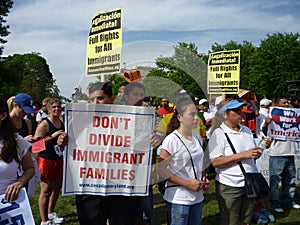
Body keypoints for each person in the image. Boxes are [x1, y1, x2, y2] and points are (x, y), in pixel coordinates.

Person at [208, 99, 266, 225]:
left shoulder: (246, 130)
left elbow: (249, 155)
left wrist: (255, 153)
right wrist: (243, 155)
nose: (240, 112)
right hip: (230, 185)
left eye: (240, 109)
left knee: (246, 219)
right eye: (235, 110)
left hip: (249, 182)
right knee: (230, 221)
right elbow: (215, 162)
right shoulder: (219, 133)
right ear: (225, 115)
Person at [158, 95, 210, 225]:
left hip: (197, 197)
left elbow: (200, 162)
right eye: (191, 114)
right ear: (180, 117)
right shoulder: (171, 140)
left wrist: (204, 178)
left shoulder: (197, 137)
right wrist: (186, 183)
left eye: (196, 114)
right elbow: (161, 170)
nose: (196, 118)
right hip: (179, 199)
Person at [262, 96, 300, 213]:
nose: (286, 105)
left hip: (290, 152)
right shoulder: (271, 117)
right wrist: (266, 124)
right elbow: (264, 132)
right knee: (275, 181)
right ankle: (275, 203)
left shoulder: (293, 115)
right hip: (277, 153)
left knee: (290, 179)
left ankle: (288, 199)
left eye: (287, 103)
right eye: (283, 103)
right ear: (277, 104)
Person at [123, 82, 154, 225]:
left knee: (144, 211)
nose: (139, 98)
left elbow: (153, 141)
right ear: (127, 96)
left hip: (142, 168)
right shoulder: (117, 115)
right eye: (135, 94)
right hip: (122, 170)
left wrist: (153, 164)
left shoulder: (149, 116)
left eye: (141, 95)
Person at [35, 98, 65, 225]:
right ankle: (44, 221)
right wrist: (52, 137)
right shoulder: (44, 124)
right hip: (46, 160)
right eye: (54, 107)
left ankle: (51, 212)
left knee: (57, 187)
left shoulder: (62, 121)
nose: (56, 109)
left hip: (58, 158)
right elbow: (35, 146)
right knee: (46, 190)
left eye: (58, 107)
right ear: (48, 108)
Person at [0, 97, 35, 202]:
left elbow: (30, 168)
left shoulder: (17, 142)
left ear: (3, 116)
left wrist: (20, 182)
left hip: (7, 204)